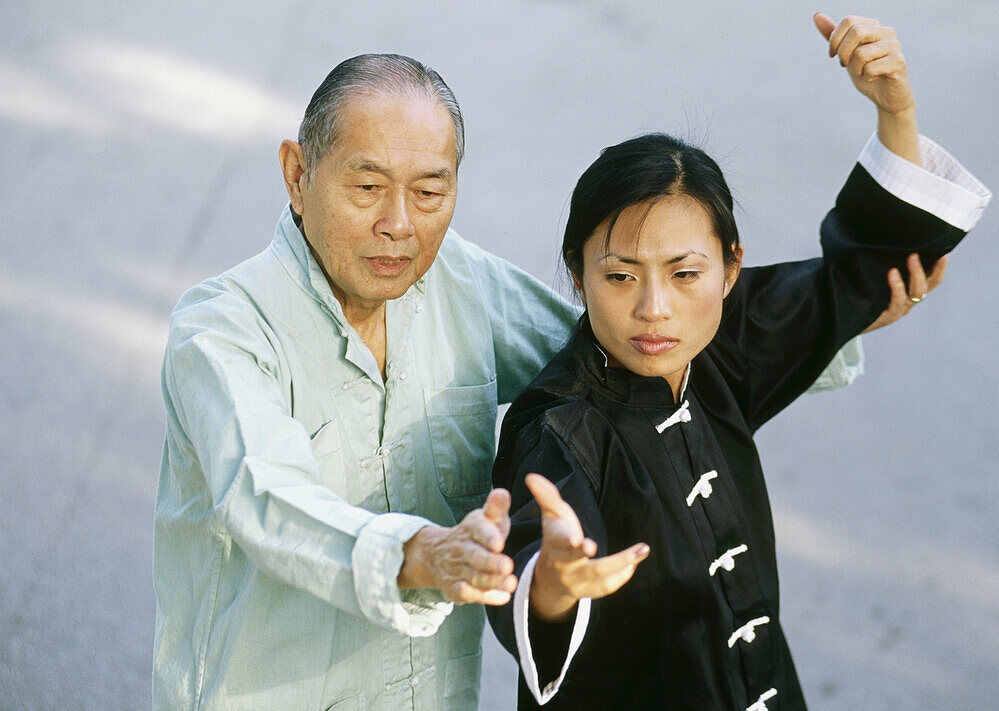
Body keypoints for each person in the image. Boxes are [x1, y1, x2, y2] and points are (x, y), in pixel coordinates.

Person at [152, 48, 950, 711]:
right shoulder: (221, 329)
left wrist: (832, 316)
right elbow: (263, 496)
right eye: (367, 187)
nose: (400, 221)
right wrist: (429, 555)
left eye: (430, 191)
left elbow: (636, 339)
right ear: (297, 173)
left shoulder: (453, 281)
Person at [486, 13, 991, 711]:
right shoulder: (561, 425)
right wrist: (555, 579)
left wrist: (894, 108)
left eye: (684, 273)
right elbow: (537, 543)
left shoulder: (722, 343)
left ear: (731, 268)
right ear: (577, 275)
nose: (655, 309)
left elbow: (870, 266)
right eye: (620, 275)